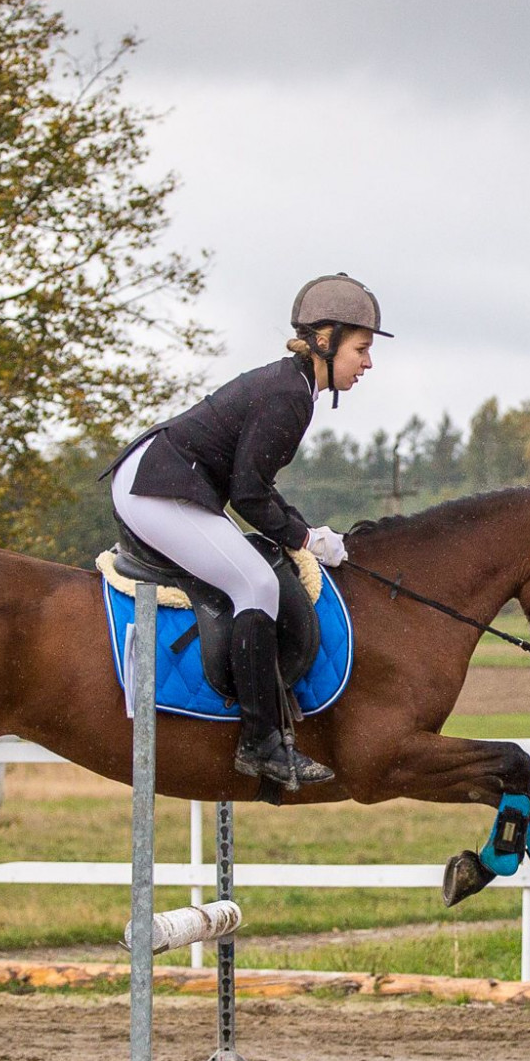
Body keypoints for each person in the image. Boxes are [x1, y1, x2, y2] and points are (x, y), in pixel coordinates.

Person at [107, 272, 388, 788]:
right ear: (325, 342)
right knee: (255, 584)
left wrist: (304, 528)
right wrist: (305, 539)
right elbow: (250, 494)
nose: (367, 363)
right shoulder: (290, 395)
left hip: (166, 480)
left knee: (254, 574)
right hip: (158, 488)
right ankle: (261, 744)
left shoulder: (292, 385)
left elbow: (254, 487)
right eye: (362, 349)